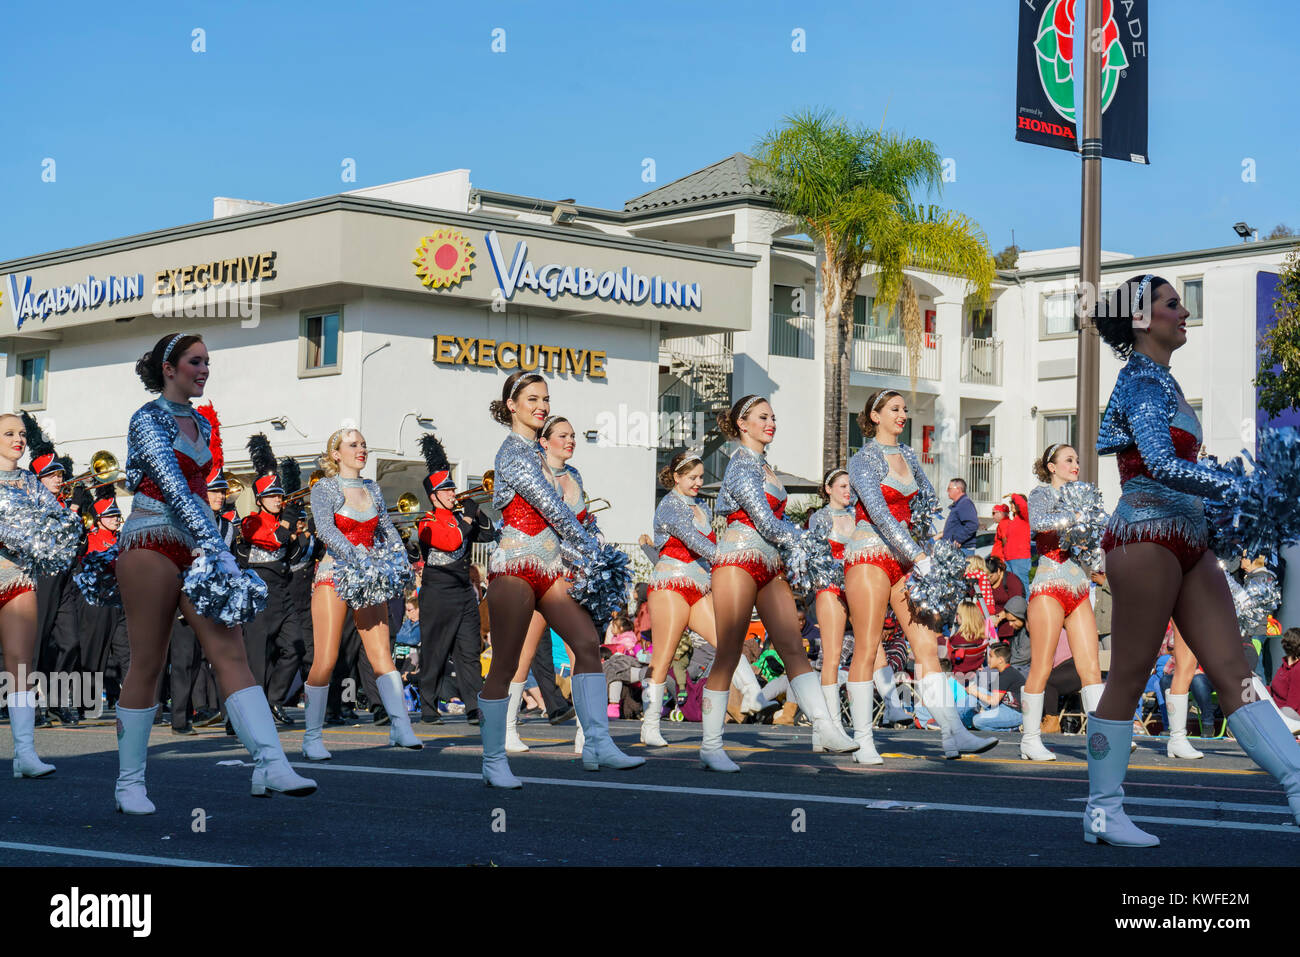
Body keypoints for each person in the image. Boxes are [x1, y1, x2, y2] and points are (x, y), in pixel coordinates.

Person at [1087, 274, 1300, 846]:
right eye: (1172, 304)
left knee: (1236, 671)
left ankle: (1298, 786)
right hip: (1146, 535)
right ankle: (1102, 810)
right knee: (1130, 674)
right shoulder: (1138, 381)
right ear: (1140, 319)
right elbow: (1159, 462)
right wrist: (1238, 488)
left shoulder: (1167, 383)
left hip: (1190, 538)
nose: (1184, 313)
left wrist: (1236, 494)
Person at [79, 333, 315, 812]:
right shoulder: (147, 418)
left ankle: (271, 763)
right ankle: (130, 784)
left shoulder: (201, 424)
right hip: (150, 539)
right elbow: (171, 485)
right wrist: (215, 544)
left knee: (230, 652)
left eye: (207, 362)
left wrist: (211, 545)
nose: (204, 370)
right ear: (169, 368)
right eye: (195, 362)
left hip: (197, 545)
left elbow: (203, 491)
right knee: (148, 659)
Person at [480, 373, 642, 786]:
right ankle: (494, 759)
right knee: (505, 663)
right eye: (532, 399)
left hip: (550, 568)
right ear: (511, 405)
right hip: (517, 564)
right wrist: (593, 550)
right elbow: (551, 508)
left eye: (546, 399)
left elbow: (564, 507)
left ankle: (597, 743)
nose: (542, 406)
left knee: (587, 643)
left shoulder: (538, 452)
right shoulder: (514, 453)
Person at [703, 394, 857, 771]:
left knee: (793, 647)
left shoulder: (765, 465)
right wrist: (804, 540)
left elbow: (774, 528)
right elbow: (766, 522)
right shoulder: (740, 465)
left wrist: (794, 545)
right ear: (742, 424)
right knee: (728, 653)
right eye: (762, 417)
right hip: (738, 558)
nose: (771, 423)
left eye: (773, 417)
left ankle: (825, 727)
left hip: (769, 562)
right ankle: (709, 745)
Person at [843, 389, 996, 761]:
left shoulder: (910, 455)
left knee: (927, 646)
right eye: (894, 409)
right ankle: (863, 740)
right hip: (870, 554)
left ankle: (953, 734)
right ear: (875, 415)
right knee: (867, 646)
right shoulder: (862, 459)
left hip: (908, 559)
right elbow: (878, 512)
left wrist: (931, 550)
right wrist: (916, 553)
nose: (902, 414)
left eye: (904, 409)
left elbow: (926, 505)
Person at [300, 426, 420, 761]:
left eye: (364, 444)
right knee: (325, 658)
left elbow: (385, 527)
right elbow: (325, 530)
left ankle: (401, 726)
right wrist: (358, 558)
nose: (361, 449)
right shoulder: (325, 487)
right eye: (353, 445)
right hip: (335, 574)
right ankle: (311, 737)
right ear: (336, 454)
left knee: (382, 654)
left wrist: (399, 559)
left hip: (369, 577)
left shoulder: (372, 487)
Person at [639, 451, 772, 748]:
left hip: (698, 587)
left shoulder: (703, 507)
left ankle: (752, 693)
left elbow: (710, 544)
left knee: (727, 641)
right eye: (692, 477)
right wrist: (732, 562)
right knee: (664, 657)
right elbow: (694, 540)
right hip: (670, 583)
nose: (699, 482)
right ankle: (650, 724)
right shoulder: (669, 505)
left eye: (701, 477)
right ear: (676, 478)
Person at [0, 413, 81, 777]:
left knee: (21, 664)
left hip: (18, 579)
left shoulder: (32, 483)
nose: (18, 439)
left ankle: (25, 753)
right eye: (9, 433)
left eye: (21, 433)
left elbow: (56, 525)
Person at [1020, 444, 1105, 762]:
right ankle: (1030, 739)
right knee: (1042, 666)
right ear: (1051, 467)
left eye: (1078, 460)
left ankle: (1100, 740)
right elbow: (1040, 523)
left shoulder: (1084, 498)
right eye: (1069, 460)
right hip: (1049, 584)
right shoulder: (1040, 494)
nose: (1076, 465)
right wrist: (1078, 515)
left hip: (1079, 586)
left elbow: (1099, 538)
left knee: (1091, 668)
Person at [415, 433, 495, 730]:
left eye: (452, 488)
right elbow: (449, 542)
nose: (452, 493)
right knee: (435, 650)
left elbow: (489, 535)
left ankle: (474, 705)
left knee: (469, 650)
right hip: (437, 593)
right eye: (446, 490)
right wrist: (467, 521)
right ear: (434, 496)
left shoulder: (463, 517)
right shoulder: (426, 522)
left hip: (463, 593)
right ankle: (428, 705)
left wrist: (477, 509)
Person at [238, 434, 307, 727]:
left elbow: (291, 553)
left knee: (296, 645)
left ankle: (274, 699)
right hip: (260, 589)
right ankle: (252, 710)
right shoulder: (250, 521)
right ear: (259, 500)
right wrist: (289, 522)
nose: (278, 500)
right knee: (257, 655)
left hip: (283, 588)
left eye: (280, 496)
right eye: (272, 496)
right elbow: (273, 539)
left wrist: (298, 533)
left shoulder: (283, 520)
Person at [24, 414, 83, 727]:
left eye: (60, 474)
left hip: (66, 577)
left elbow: (77, 544)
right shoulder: (30, 505)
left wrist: (76, 514)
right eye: (52, 476)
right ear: (38, 480)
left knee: (70, 639)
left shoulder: (62, 505)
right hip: (42, 576)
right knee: (36, 641)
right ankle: (30, 706)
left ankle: (59, 699)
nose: (60, 479)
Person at [807, 466, 858, 745]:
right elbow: (815, 557)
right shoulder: (820, 518)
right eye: (842, 486)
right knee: (833, 656)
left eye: (850, 486)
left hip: (856, 590)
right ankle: (830, 727)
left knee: (869, 647)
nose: (848, 491)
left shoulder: (857, 517)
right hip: (830, 589)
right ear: (828, 490)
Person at [965, 643, 1027, 732]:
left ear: (1000, 660)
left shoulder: (1008, 674)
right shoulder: (1002, 672)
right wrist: (975, 691)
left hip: (1015, 713)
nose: (988, 659)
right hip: (1003, 706)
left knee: (977, 721)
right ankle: (962, 722)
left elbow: (994, 701)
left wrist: (974, 692)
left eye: (991, 656)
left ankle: (1013, 728)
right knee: (978, 691)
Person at [992, 493, 1032, 595]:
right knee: (1012, 587)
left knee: (1022, 586)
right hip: (1009, 559)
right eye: (1011, 503)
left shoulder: (1025, 517)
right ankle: (1015, 609)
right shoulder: (1014, 521)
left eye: (1013, 503)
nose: (1011, 505)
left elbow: (1023, 506)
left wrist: (1013, 495)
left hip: (1020, 558)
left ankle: (1025, 609)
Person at [941, 477, 978, 553]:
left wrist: (958, 539)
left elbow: (972, 524)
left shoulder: (965, 503)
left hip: (962, 550)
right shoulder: (959, 504)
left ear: (958, 489)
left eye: (949, 488)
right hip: (955, 549)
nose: (947, 491)